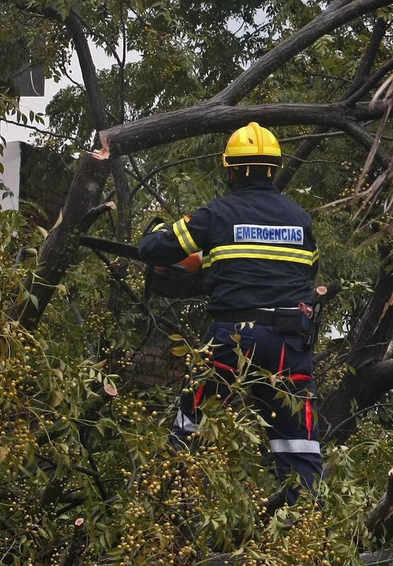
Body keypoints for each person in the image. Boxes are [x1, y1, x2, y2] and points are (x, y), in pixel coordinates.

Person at [138, 122, 323, 496]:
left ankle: (172, 500)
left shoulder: (218, 215)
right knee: (298, 445)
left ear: (231, 169)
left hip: (232, 340)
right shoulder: (301, 221)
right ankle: (307, 525)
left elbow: (153, 250)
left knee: (191, 422)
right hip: (288, 342)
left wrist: (163, 232)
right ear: (274, 168)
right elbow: (307, 273)